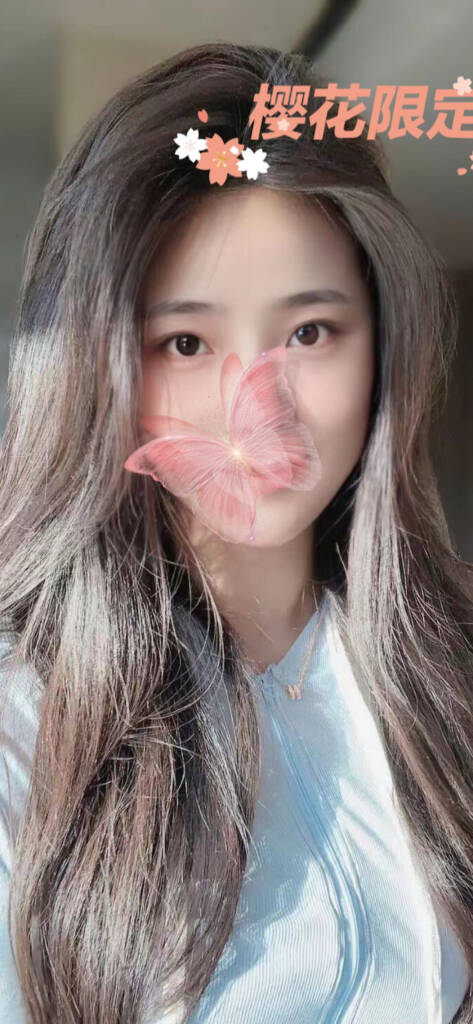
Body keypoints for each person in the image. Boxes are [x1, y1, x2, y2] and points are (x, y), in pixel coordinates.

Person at [1, 40, 473, 1024]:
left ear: (383, 345)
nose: (255, 404)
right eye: (185, 342)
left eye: (308, 333)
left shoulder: (442, 671)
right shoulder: (26, 725)